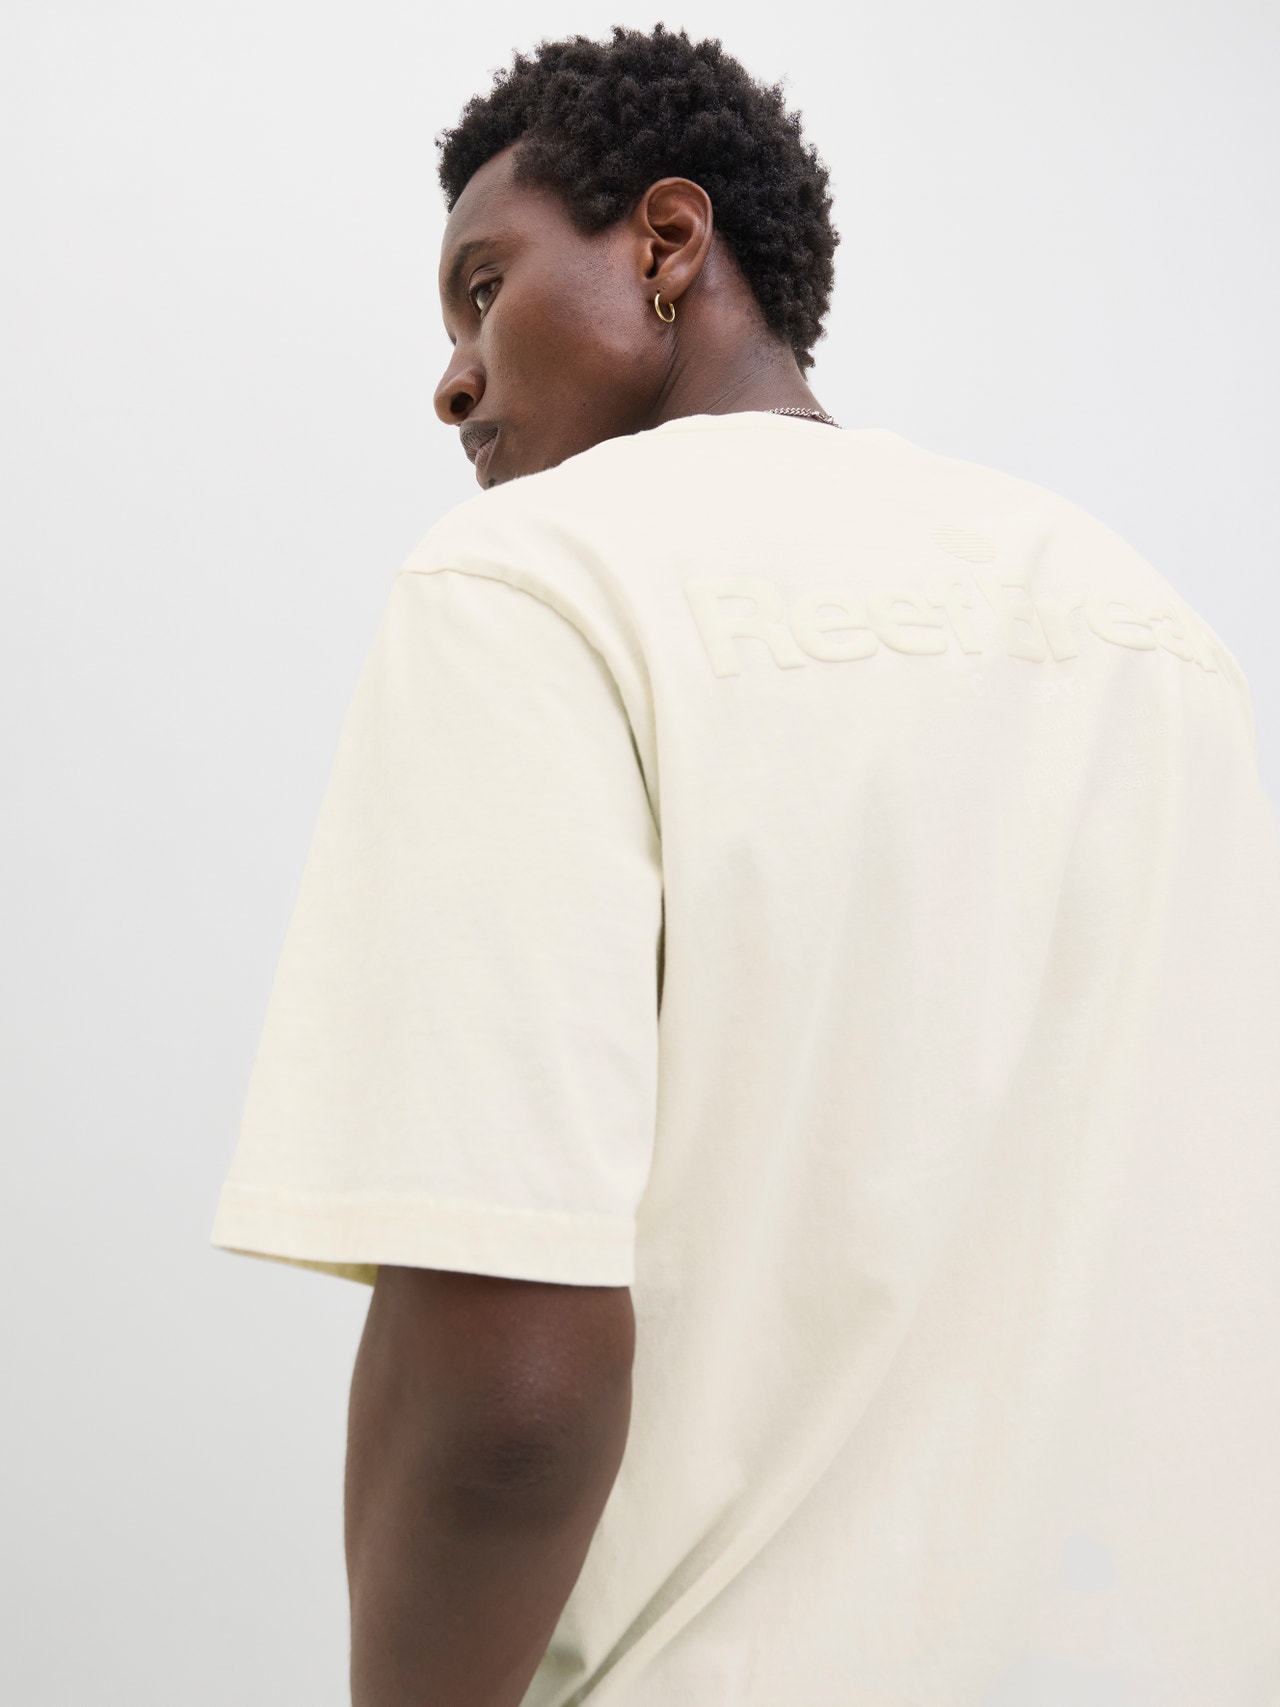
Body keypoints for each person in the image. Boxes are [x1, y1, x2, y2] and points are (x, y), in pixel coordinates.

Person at [209, 24, 1280, 1707]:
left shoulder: (538, 585)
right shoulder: (1160, 638)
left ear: (666, 243)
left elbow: (509, 1398)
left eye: (483, 290)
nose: (454, 379)